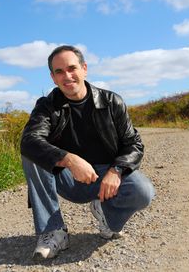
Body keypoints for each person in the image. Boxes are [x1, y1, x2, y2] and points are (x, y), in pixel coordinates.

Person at [20, 45, 155, 260]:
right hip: (67, 178)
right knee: (32, 153)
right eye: (59, 71)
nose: (67, 76)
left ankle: (107, 215)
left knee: (143, 191)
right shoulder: (47, 106)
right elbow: (29, 140)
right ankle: (52, 231)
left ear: (84, 69)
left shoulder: (112, 102)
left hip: (104, 178)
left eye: (72, 68)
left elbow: (134, 143)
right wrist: (69, 159)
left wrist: (117, 170)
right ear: (53, 78)